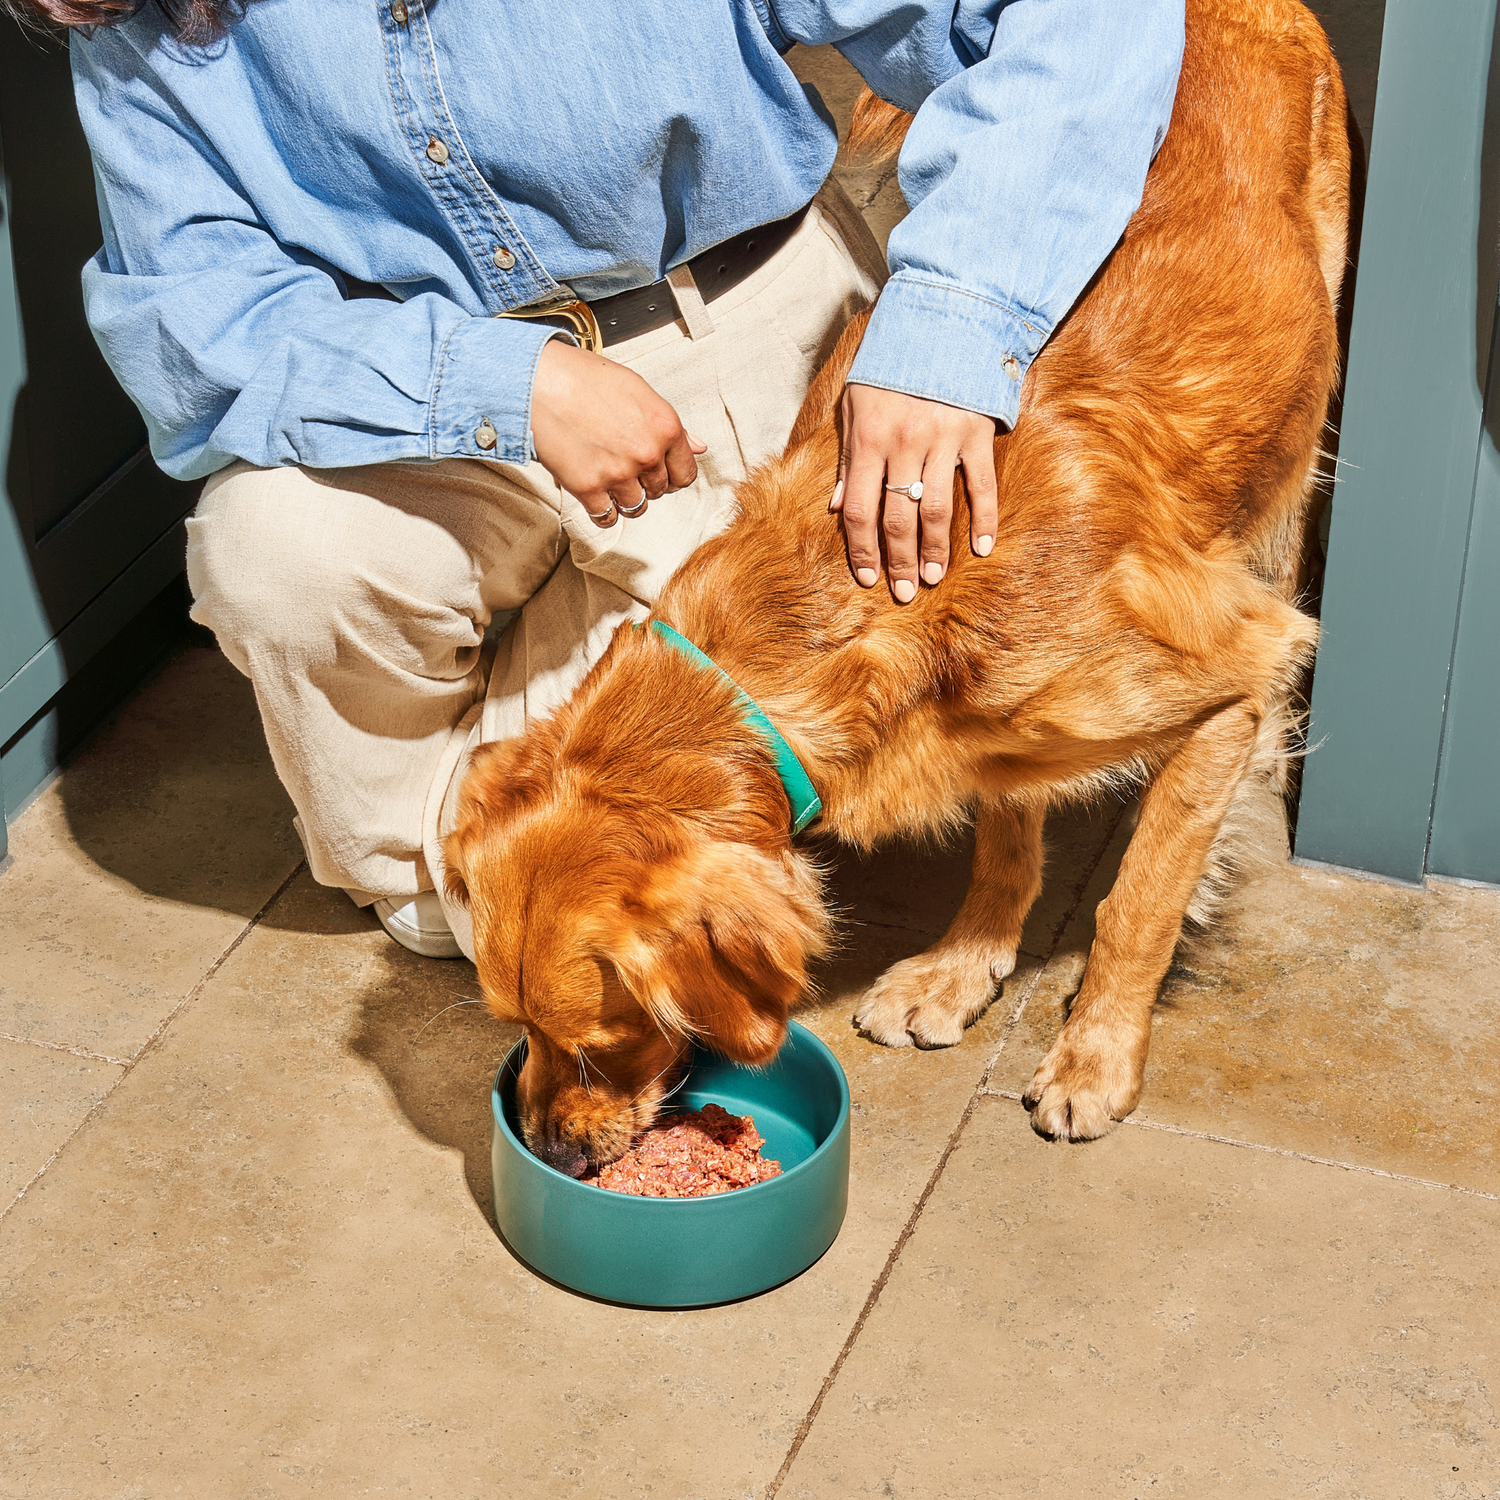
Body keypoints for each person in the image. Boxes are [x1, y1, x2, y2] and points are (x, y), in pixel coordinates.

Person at [21, 0, 1183, 959]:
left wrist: (948, 325)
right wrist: (506, 380)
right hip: (412, 387)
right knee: (274, 552)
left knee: (669, 787)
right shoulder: (146, 18)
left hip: (734, 325)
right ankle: (461, 905)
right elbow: (188, 309)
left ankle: (512, 878)